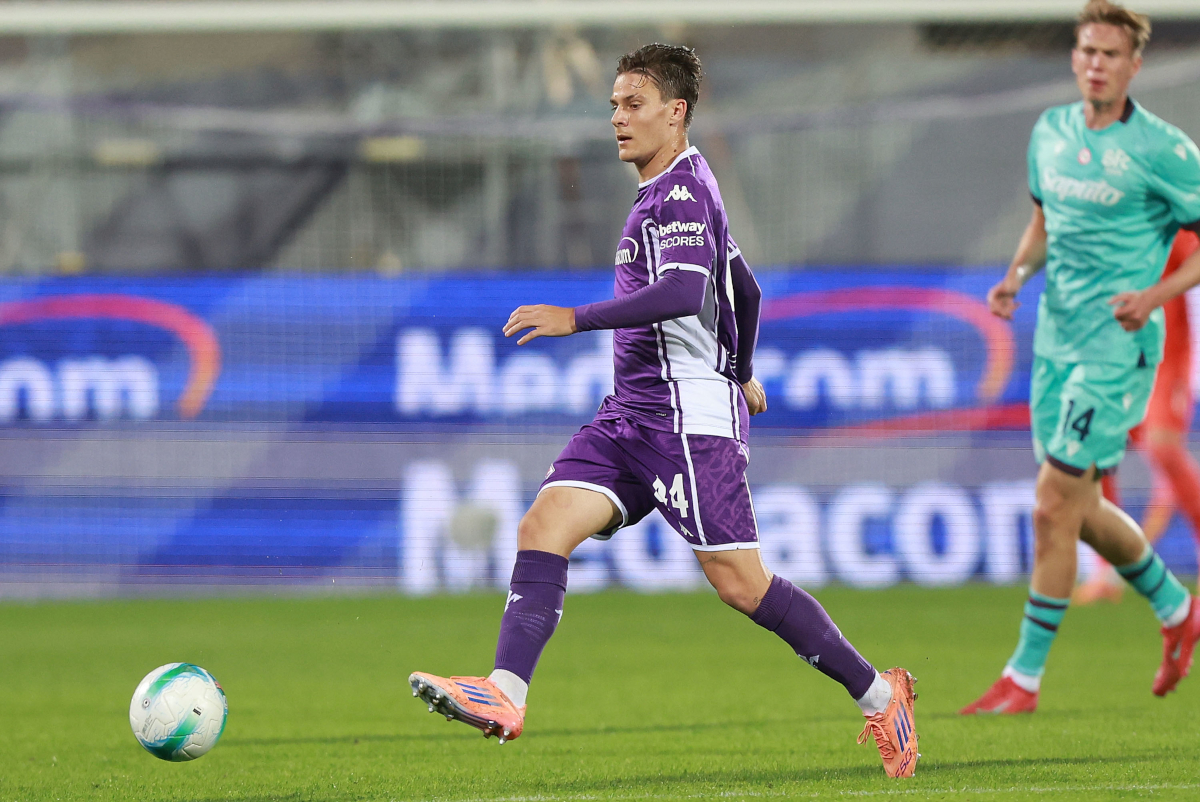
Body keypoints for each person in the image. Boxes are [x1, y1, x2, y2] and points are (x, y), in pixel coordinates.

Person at [409, 43, 920, 778]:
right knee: (544, 525)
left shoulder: (678, 194)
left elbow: (686, 291)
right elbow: (746, 290)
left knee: (742, 585)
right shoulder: (680, 183)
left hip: (686, 422)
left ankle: (880, 694)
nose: (618, 118)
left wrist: (577, 318)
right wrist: (742, 369)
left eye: (634, 104)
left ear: (675, 113)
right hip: (632, 415)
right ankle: (505, 692)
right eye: (615, 104)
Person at [962, 0, 1200, 715]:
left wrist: (1155, 294)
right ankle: (1178, 610)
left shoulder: (1165, 149)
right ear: (1075, 57)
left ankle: (1023, 680)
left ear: (1133, 65)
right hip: (1056, 343)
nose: (1095, 64)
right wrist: (1014, 276)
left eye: (1110, 54)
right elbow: (1042, 221)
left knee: (1050, 507)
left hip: (1115, 351)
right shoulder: (1052, 132)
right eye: (1087, 51)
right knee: (1079, 504)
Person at [1074, 230, 1200, 604]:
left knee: (1162, 448)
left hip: (1168, 359)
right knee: (1091, 454)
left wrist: (1153, 298)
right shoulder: (1103, 217)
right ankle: (1106, 570)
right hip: (1118, 360)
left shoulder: (1172, 218)